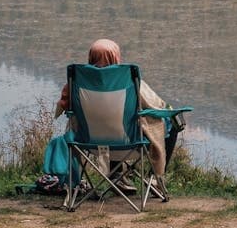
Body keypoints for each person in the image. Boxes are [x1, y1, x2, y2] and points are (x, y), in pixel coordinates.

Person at [55, 38, 175, 183]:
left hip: (87, 143)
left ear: (91, 57)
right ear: (116, 57)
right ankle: (155, 179)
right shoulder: (130, 81)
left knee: (106, 121)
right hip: (130, 145)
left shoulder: (76, 83)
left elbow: (63, 107)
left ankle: (117, 175)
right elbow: (157, 105)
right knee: (173, 122)